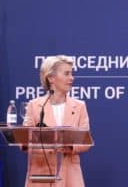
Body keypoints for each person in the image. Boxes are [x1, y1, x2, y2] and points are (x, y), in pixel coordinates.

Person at [23, 55, 90, 187]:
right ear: (51, 78)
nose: (72, 78)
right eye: (66, 73)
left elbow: (85, 141)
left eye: (72, 73)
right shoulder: (34, 106)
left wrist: (69, 146)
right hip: (41, 174)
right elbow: (24, 141)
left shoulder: (79, 106)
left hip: (69, 176)